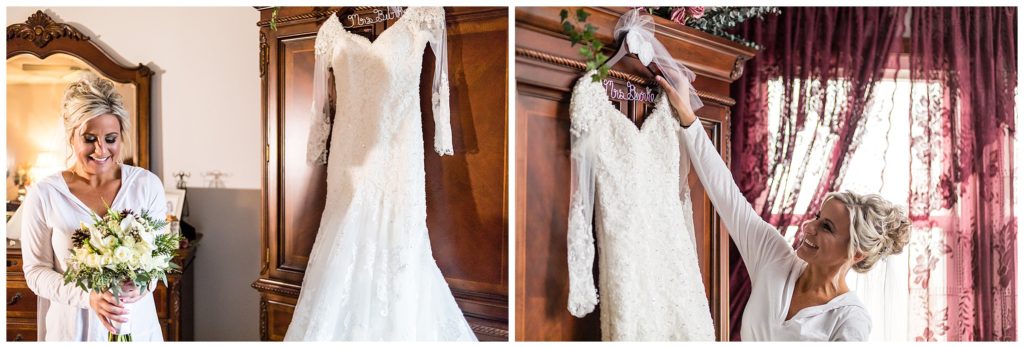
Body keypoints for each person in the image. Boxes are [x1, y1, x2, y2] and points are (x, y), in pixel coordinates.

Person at [656, 75, 911, 341]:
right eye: (816, 216)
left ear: (857, 253)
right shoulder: (773, 256)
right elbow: (727, 195)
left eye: (826, 227)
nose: (808, 227)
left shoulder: (850, 320)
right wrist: (688, 118)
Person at [20, 74, 166, 341]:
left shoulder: (146, 185)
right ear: (71, 137)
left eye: (111, 138)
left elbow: (157, 261)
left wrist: (143, 285)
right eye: (89, 138)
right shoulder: (45, 194)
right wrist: (88, 297)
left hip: (135, 327)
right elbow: (36, 272)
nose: (101, 150)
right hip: (71, 332)